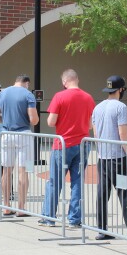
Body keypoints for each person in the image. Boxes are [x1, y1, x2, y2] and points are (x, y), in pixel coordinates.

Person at [91, 75, 127, 241]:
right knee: (126, 194)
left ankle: (102, 229)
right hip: (119, 159)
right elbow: (122, 133)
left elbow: (95, 133)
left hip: (103, 158)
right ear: (120, 89)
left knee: (103, 194)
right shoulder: (121, 107)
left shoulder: (98, 107)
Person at [39, 69, 95, 228]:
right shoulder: (88, 97)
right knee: (77, 182)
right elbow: (90, 124)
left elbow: (51, 121)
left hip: (62, 144)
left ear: (64, 82)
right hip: (83, 144)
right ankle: (74, 219)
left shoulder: (59, 96)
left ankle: (49, 217)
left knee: (55, 182)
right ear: (77, 79)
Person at [0, 74, 38, 217]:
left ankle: (6, 205)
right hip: (23, 134)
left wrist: (5, 120)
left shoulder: (2, 93)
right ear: (26, 83)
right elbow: (34, 120)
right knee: (24, 171)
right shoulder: (28, 95)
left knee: (6, 171)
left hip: (6, 134)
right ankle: (21, 208)